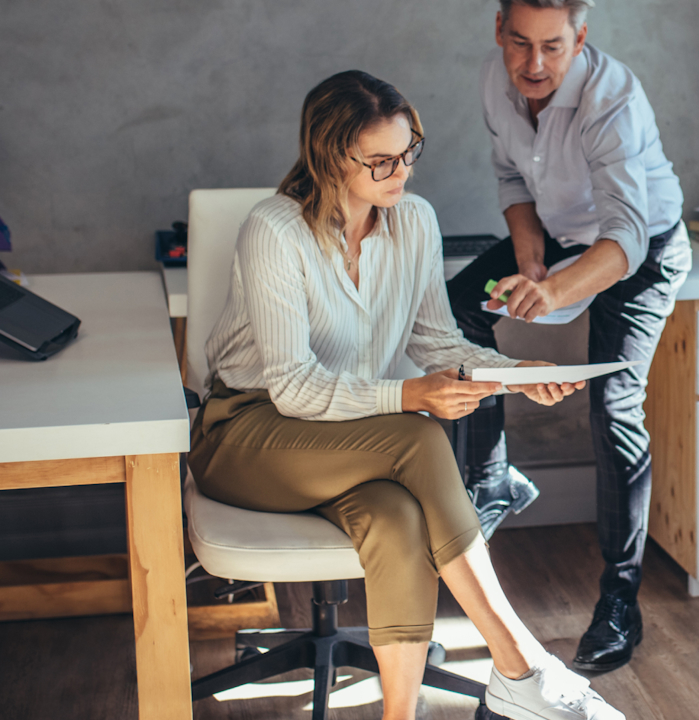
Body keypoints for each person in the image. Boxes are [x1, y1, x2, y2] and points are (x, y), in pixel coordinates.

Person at [190, 70, 623, 720]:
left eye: (408, 153)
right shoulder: (274, 231)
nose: (402, 174)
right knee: (420, 434)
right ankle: (521, 664)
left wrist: (514, 371)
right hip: (247, 433)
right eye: (382, 161)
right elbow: (295, 386)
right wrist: (411, 396)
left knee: (398, 520)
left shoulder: (413, 222)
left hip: (341, 441)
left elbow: (436, 340)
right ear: (331, 155)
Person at [446, 0, 689, 673]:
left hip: (642, 249)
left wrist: (553, 292)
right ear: (498, 31)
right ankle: (490, 477)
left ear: (581, 38)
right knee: (454, 312)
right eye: (519, 43)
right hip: (563, 234)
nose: (534, 65)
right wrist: (528, 254)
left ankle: (620, 602)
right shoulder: (498, 80)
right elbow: (510, 177)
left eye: (553, 47)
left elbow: (627, 239)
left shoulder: (611, 101)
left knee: (612, 405)